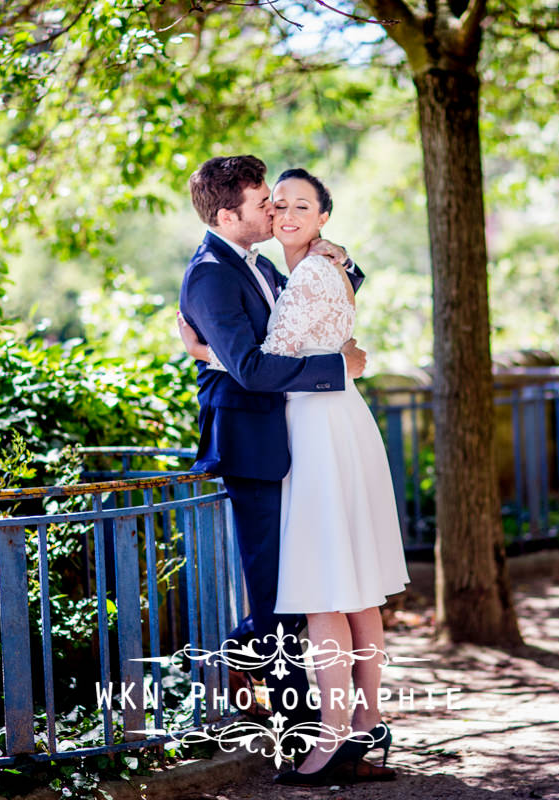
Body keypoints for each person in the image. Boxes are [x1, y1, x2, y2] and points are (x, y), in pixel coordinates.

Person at [179, 166, 409, 786]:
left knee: (318, 586)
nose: (275, 211)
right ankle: (305, 730)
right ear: (229, 216)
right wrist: (333, 367)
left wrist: (340, 257)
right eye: (266, 202)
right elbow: (252, 365)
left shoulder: (268, 264)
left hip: (304, 437)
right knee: (296, 593)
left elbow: (319, 296)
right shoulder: (210, 275)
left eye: (286, 203)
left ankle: (335, 733)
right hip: (257, 448)